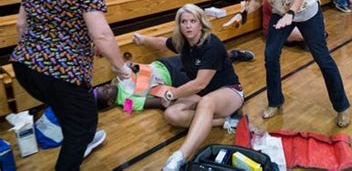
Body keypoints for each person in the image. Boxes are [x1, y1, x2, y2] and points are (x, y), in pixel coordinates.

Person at [10, 0, 132, 171]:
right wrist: (121, 69)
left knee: (70, 116)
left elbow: (21, 26)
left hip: (25, 68)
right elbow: (102, 35)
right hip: (61, 74)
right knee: (83, 127)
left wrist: (43, 52)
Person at [224, 0, 350, 127]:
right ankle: (275, 102)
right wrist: (242, 14)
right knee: (270, 56)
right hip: (281, 13)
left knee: (323, 59)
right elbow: (256, 0)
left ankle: (342, 107)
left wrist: (291, 15)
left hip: (306, 10)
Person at [131, 4, 244, 171]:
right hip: (202, 94)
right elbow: (163, 42)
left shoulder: (212, 44)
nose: (188, 25)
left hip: (230, 91)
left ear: (201, 23)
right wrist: (143, 39)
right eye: (184, 22)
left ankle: (180, 157)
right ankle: (225, 121)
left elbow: (200, 83)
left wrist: (172, 94)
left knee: (206, 102)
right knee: (172, 115)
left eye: (193, 21)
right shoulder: (183, 42)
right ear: (179, 25)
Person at [95, 50, 254, 111]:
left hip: (163, 63)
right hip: (172, 78)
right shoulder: (125, 101)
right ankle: (231, 94)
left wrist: (131, 66)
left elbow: (134, 68)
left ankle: (232, 55)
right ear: (110, 102)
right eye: (106, 91)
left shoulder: (115, 81)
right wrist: (174, 98)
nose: (108, 86)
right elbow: (152, 103)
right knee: (204, 75)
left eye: (104, 87)